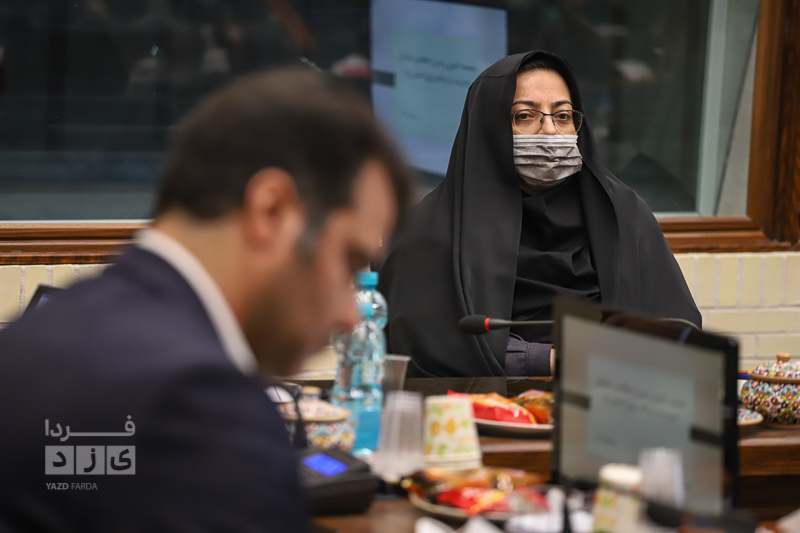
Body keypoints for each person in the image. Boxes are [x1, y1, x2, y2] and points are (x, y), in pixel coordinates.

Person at [0, 67, 409, 532]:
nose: (349, 315)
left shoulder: (34, 339)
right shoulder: (202, 406)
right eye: (348, 259)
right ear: (271, 210)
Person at [378, 51, 699, 378]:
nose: (549, 132)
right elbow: (426, 343)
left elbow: (678, 330)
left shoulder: (620, 213)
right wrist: (546, 359)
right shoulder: (433, 227)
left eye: (562, 116)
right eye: (524, 116)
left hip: (607, 397)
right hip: (478, 404)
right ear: (488, 127)